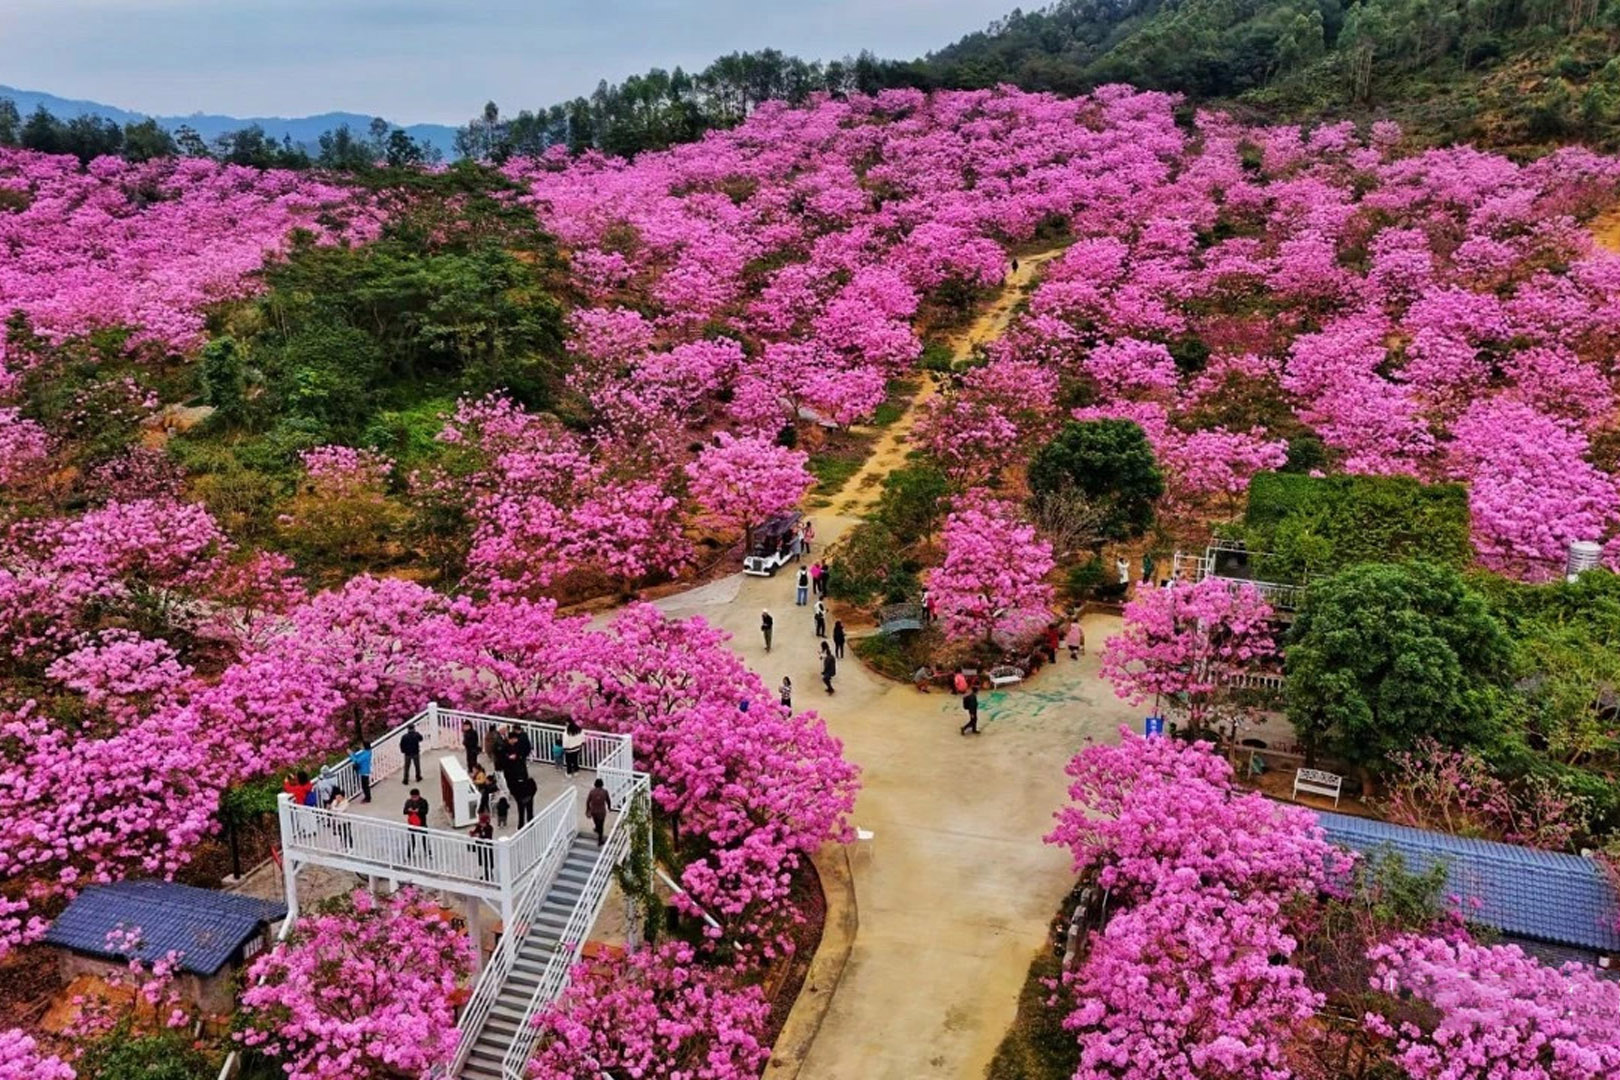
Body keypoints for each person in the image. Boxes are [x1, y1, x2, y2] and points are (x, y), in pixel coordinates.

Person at [404, 788, 430, 860]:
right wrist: (409, 810)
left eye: (415, 797)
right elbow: (404, 811)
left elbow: (426, 811)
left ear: (419, 795)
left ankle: (428, 853)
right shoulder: (408, 802)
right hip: (412, 823)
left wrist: (419, 811)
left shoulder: (423, 801)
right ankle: (409, 854)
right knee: (411, 840)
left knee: (425, 839)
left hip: (422, 823)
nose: (414, 799)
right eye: (412, 797)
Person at [470, 813, 495, 880]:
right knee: (483, 861)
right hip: (480, 847)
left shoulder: (489, 828)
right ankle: (486, 874)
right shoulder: (479, 826)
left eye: (483, 823)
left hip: (487, 847)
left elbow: (488, 837)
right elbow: (475, 832)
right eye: (481, 822)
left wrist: (480, 836)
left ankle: (489, 875)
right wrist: (473, 834)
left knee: (488, 862)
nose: (481, 824)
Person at [586, 778, 611, 845]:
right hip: (601, 811)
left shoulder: (592, 792)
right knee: (601, 825)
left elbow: (588, 801)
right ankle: (600, 840)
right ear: (602, 784)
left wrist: (588, 809)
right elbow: (608, 800)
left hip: (593, 811)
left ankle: (597, 828)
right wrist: (609, 807)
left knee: (596, 822)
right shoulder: (605, 792)